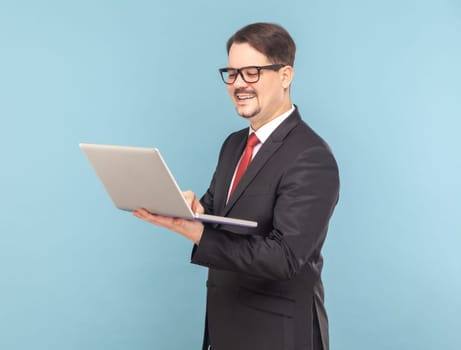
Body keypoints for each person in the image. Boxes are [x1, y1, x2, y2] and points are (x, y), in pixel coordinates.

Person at [133, 22, 339, 350]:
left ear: (285, 76)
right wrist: (194, 211)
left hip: (279, 337)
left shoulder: (311, 156)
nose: (238, 84)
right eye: (232, 74)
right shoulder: (233, 145)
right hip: (226, 328)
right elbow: (216, 211)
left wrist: (197, 232)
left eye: (251, 72)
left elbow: (284, 258)